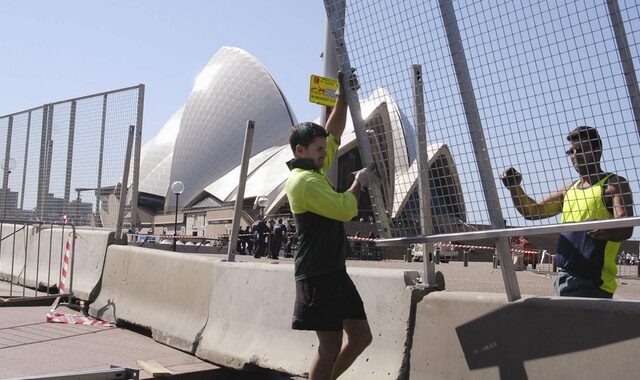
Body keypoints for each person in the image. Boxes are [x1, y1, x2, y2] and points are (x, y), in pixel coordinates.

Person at [286, 71, 377, 379]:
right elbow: (344, 210)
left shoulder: (313, 168)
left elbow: (333, 133)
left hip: (333, 270)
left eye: (324, 150)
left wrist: (343, 98)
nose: (326, 154)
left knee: (361, 337)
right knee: (330, 345)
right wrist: (358, 182)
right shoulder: (305, 181)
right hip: (317, 272)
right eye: (319, 150)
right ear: (301, 151)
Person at [501, 126, 634, 298]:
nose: (575, 156)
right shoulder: (569, 190)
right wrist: (514, 187)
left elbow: (626, 226)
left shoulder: (613, 185)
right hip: (564, 279)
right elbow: (533, 211)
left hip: (593, 283)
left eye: (581, 150)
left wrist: (603, 229)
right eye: (571, 151)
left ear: (597, 151)